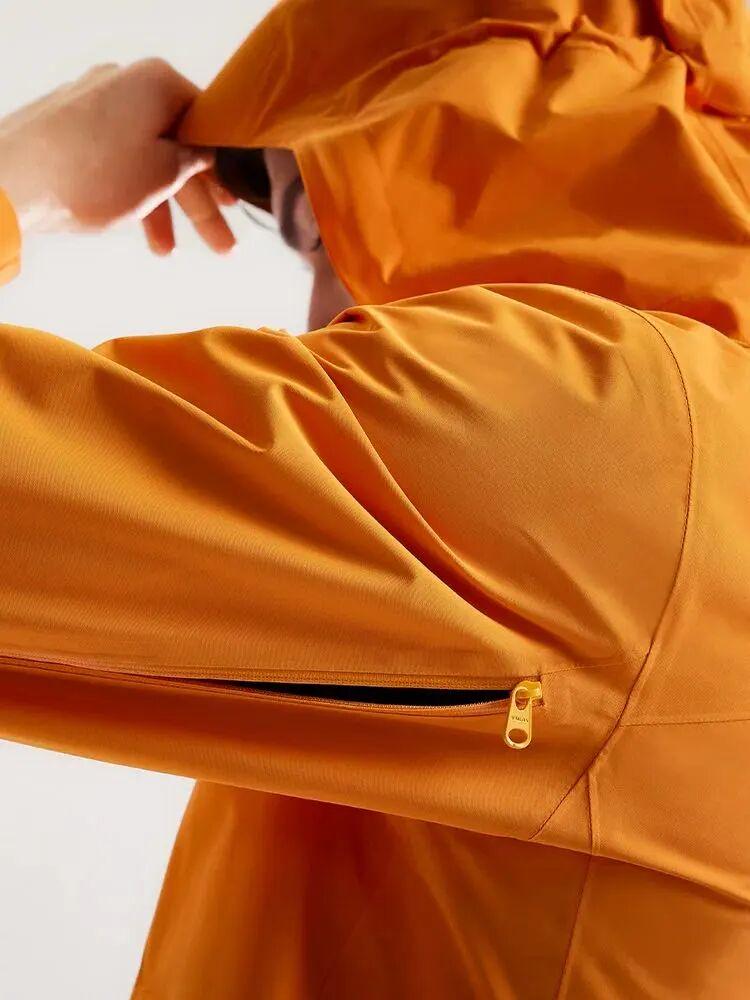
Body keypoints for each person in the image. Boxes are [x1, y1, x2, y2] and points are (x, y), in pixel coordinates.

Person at [1, 1, 749, 997]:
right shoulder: (704, 463)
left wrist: (23, 173)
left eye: (325, 228)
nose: (312, 316)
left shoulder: (590, 440)